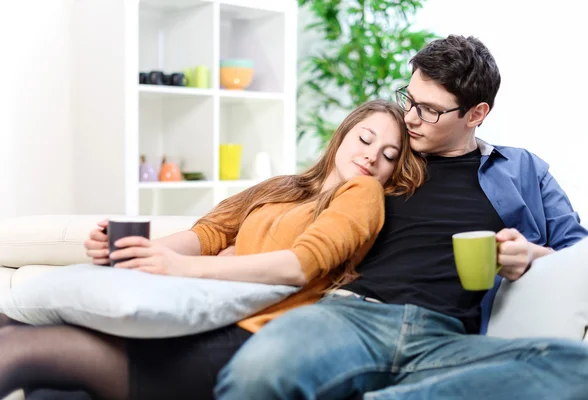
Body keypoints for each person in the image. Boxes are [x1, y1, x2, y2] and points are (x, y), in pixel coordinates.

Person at [214, 35, 588, 400]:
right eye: (409, 99)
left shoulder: (523, 170)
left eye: (430, 110)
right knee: (259, 370)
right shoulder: (387, 155)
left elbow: (582, 257)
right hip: (352, 316)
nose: (411, 117)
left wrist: (531, 255)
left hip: (445, 340)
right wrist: (235, 246)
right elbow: (304, 197)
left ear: (476, 113)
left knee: (585, 368)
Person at [0, 100, 427, 400]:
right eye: (365, 139)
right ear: (343, 135)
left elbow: (302, 265)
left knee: (24, 350)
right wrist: (131, 251)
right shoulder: (281, 188)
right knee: (26, 345)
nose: (372, 157)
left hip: (255, 338)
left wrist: (180, 266)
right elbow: (208, 234)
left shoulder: (362, 193)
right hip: (195, 319)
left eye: (388, 155)